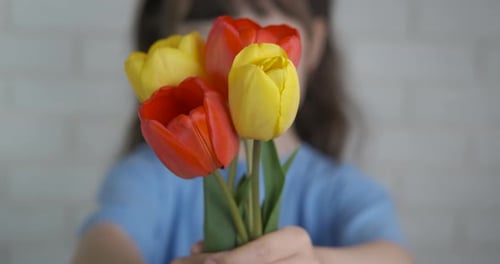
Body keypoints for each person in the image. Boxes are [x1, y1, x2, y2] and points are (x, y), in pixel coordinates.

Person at [73, 0, 413, 263]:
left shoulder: (340, 191)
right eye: (211, 13)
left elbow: (395, 256)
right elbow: (104, 240)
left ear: (316, 41)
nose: (236, 76)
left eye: (262, 13)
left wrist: (319, 260)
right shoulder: (151, 177)